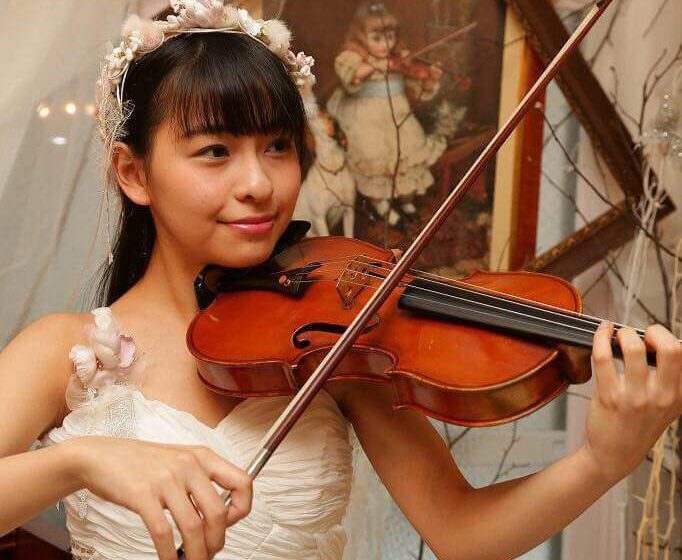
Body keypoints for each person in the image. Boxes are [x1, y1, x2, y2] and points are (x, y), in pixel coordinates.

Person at [0, 2, 680, 560]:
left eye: (278, 146)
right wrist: (80, 463)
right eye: (215, 151)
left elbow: (463, 532)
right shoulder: (66, 349)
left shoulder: (337, 343)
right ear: (133, 173)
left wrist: (601, 460)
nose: (259, 183)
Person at [327, 1, 447, 227]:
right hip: (365, 117)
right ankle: (381, 205)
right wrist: (376, 65)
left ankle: (406, 201)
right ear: (361, 37)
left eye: (390, 37)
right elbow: (352, 75)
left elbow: (419, 90)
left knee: (409, 149)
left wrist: (430, 76)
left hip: (397, 114)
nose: (385, 45)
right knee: (374, 155)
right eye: (377, 38)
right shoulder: (352, 57)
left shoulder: (398, 59)